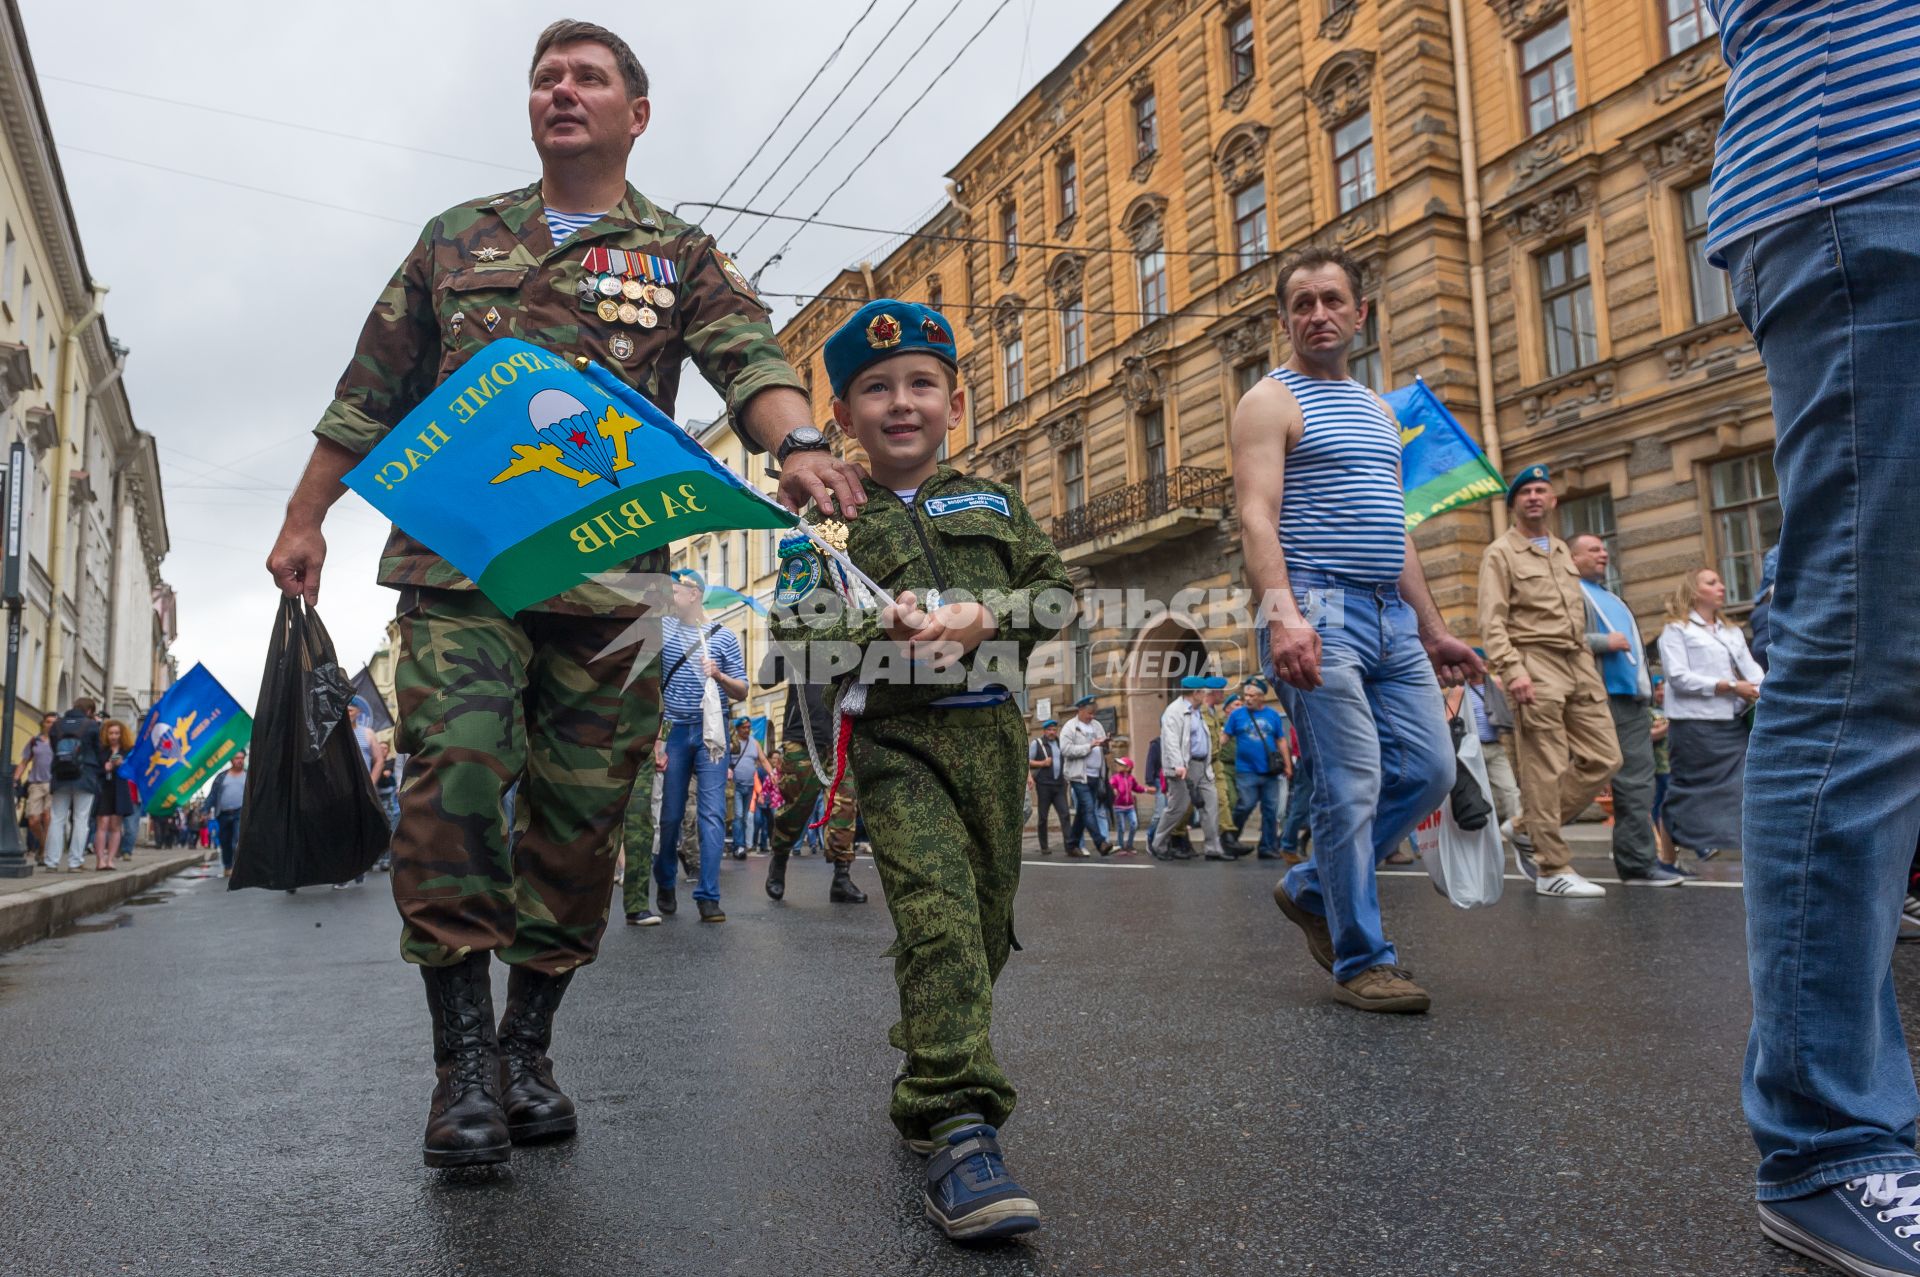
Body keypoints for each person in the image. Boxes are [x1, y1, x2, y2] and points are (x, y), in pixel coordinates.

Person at [262, 20, 864, 1171]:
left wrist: (793, 444)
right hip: (464, 561)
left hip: (615, 577)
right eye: (546, 77)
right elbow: (368, 390)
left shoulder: (680, 254)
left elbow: (753, 362)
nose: (562, 90)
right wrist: (304, 518)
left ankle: (529, 1045)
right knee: (457, 777)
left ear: (637, 114)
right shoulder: (455, 240)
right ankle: (465, 1067)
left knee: (585, 821)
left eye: (588, 77)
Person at [770, 298, 1067, 1242]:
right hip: (896, 745)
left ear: (954, 402)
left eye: (922, 385)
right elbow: (793, 631)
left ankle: (923, 1085)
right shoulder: (824, 523)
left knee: (981, 929)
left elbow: (1053, 593)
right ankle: (959, 1127)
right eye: (876, 389)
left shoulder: (992, 502)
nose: (902, 404)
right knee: (936, 916)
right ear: (845, 413)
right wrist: (875, 623)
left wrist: (982, 613)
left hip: (992, 739)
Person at [1701, 12, 1920, 1268]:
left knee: (1866, 647)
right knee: (1859, 669)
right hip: (1875, 170)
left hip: (1871, 176)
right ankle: (1829, 1141)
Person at [1232, 245, 1482, 1014]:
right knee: (1352, 783)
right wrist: (1284, 619)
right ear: (1283, 319)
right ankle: (1363, 959)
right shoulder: (1269, 401)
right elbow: (1255, 516)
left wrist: (1435, 629)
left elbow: (1396, 528)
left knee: (1431, 771)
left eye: (1331, 300)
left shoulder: (1380, 410)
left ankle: (1313, 885)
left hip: (1391, 617)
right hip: (1318, 610)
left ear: (1359, 312)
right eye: (1301, 303)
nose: (1317, 314)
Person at [1477, 466, 1619, 898]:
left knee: (1605, 757)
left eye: (1542, 490)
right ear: (1514, 503)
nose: (1534, 497)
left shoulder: (1560, 550)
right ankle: (1551, 867)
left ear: (1553, 500)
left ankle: (1526, 827)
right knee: (1546, 766)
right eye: (1526, 492)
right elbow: (1491, 620)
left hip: (1577, 659)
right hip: (1535, 660)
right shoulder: (1500, 554)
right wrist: (1511, 669)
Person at [1569, 534, 1685, 887]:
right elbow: (1558, 638)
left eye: (1604, 548)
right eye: (1593, 549)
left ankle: (1639, 862)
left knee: (1638, 782)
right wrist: (1605, 642)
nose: (1603, 553)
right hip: (1604, 696)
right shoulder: (1572, 592)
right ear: (1571, 558)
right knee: (1609, 776)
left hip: (1631, 699)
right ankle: (1529, 828)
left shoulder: (1610, 596)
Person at [653, 569, 747, 923]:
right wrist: (655, 737)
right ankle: (664, 878)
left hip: (713, 732)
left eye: (675, 591)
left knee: (711, 815)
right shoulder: (663, 630)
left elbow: (743, 690)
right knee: (672, 815)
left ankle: (708, 895)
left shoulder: (723, 638)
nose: (670, 597)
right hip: (675, 731)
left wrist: (719, 675)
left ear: (693, 594)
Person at [1655, 567, 1761, 862]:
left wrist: (1763, 687)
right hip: (1695, 726)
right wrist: (1729, 686)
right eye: (1712, 582)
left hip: (1733, 725)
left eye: (1720, 580)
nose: (1722, 587)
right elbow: (1678, 678)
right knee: (1688, 792)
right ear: (1693, 591)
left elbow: (1752, 670)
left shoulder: (1731, 631)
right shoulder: (1676, 630)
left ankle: (1735, 846)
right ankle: (1667, 854)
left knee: (1742, 786)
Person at [760, 643, 866, 904]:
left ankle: (841, 877)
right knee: (796, 806)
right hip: (802, 736)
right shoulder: (799, 633)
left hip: (842, 734)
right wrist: (784, 639)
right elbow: (765, 680)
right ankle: (780, 857)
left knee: (845, 808)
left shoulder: (850, 624)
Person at [1147, 677, 1226, 861]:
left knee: (1211, 804)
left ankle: (1213, 848)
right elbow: (1171, 741)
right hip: (1183, 767)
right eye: (1203, 692)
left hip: (1203, 766)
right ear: (1195, 693)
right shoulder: (1174, 712)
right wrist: (1178, 765)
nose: (1206, 695)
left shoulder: (1197, 711)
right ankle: (1158, 845)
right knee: (1177, 808)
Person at [1224, 680, 1292, 859]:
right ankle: (1230, 840)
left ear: (1262, 697)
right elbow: (1225, 736)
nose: (1248, 699)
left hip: (1270, 772)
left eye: (1252, 696)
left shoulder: (1273, 715)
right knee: (1245, 805)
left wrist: (1287, 765)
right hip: (1246, 771)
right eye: (1246, 695)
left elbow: (1281, 740)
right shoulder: (1237, 715)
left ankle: (1267, 847)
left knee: (1270, 811)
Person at [43, 698, 102, 873]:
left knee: (56, 819)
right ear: (90, 711)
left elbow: (54, 748)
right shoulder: (91, 726)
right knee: (81, 819)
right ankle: (75, 862)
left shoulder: (57, 725)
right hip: (85, 775)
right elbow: (98, 751)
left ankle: (51, 862)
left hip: (60, 774)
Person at [1465, 678, 1522, 836]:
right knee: (1478, 793)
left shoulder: (1495, 686)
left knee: (1510, 789)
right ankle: (1486, 834)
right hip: (1472, 749)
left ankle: (1517, 828)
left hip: (1495, 746)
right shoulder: (1460, 690)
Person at [1058, 696, 1112, 858]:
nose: (1092, 716)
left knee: (1082, 813)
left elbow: (1104, 750)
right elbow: (1066, 750)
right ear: (1080, 710)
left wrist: (1105, 744)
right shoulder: (1070, 727)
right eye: (1089, 713)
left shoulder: (1097, 726)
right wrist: (1090, 746)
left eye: (1094, 713)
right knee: (1089, 808)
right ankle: (1100, 842)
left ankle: (1071, 845)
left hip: (1096, 776)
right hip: (1078, 776)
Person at [89, 720, 135, 871]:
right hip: (104, 789)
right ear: (106, 734)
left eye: (116, 733)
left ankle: (110, 860)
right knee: (102, 824)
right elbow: (94, 771)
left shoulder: (127, 751)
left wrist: (122, 764)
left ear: (122, 735)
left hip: (120, 789)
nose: (114, 736)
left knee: (116, 826)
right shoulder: (101, 750)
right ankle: (100, 859)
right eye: (111, 733)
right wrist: (105, 768)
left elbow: (134, 771)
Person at [725, 719, 769, 859]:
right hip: (735, 786)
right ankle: (739, 846)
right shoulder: (732, 743)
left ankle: (741, 844)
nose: (747, 730)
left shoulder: (754, 743)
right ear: (737, 729)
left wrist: (772, 773)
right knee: (738, 817)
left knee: (744, 819)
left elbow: (763, 760)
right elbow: (724, 759)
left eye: (748, 727)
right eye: (744, 727)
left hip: (749, 786)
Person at [14, 712, 55, 857]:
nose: (51, 725)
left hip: (53, 783)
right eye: (48, 722)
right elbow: (24, 762)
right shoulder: (34, 741)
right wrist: (15, 779)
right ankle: (43, 845)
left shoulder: (60, 741)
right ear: (43, 723)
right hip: (35, 783)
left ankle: (44, 852)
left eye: (54, 722)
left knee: (47, 816)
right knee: (33, 821)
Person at [1026, 720, 1069, 855]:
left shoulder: (1060, 743)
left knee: (1065, 814)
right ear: (1044, 731)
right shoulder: (1037, 743)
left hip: (1059, 785)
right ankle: (1044, 846)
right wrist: (1042, 763)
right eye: (1049, 730)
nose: (1052, 732)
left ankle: (1070, 846)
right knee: (1043, 817)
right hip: (1044, 785)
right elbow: (1027, 761)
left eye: (1054, 730)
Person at [207, 751, 248, 878]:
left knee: (237, 840)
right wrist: (204, 810)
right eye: (237, 758)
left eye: (241, 758)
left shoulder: (248, 776)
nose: (239, 761)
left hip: (240, 812)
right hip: (223, 814)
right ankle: (228, 866)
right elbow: (212, 795)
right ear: (231, 760)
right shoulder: (221, 777)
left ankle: (238, 867)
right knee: (225, 841)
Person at [1109, 757, 1144, 854]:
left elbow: (1136, 787)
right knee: (1122, 827)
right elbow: (1111, 784)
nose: (1118, 766)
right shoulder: (1115, 777)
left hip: (1130, 807)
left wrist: (1145, 790)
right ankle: (1120, 846)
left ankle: (1129, 845)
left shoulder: (1131, 778)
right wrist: (1113, 789)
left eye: (1121, 764)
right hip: (1119, 807)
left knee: (1134, 824)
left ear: (1128, 768)